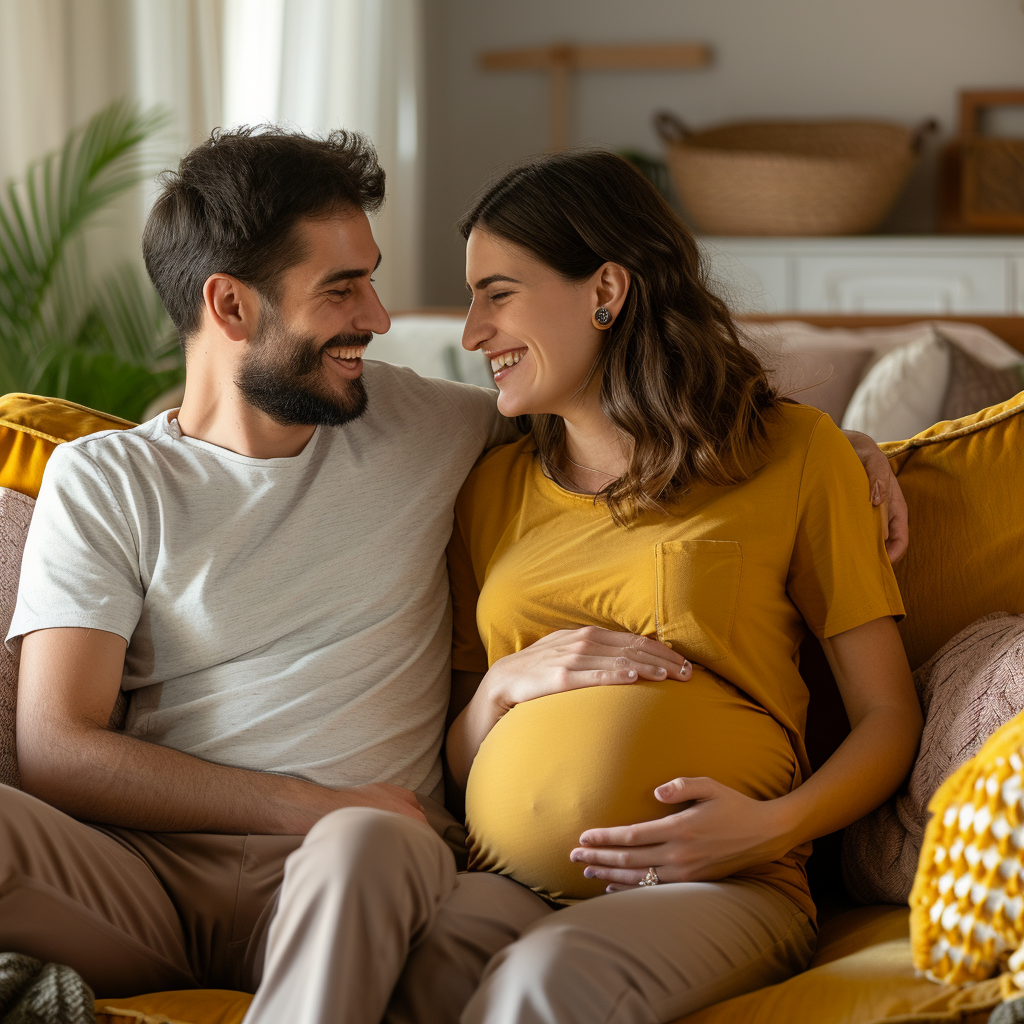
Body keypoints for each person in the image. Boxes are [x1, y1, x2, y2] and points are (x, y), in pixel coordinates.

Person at [0, 128, 907, 1024]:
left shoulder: (423, 424)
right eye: (342, 287)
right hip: (153, 870)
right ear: (231, 307)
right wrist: (329, 792)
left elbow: (632, 415)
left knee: (373, 847)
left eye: (374, 276)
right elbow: (56, 745)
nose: (385, 318)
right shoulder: (111, 479)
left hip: (368, 867)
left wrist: (857, 446)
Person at [436, 150, 924, 1023]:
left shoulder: (795, 455)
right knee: (412, 958)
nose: (472, 332)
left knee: (541, 986)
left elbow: (889, 717)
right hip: (504, 884)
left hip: (723, 883)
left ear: (607, 290)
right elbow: (459, 752)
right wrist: (501, 691)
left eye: (497, 293)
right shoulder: (486, 491)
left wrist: (772, 828)